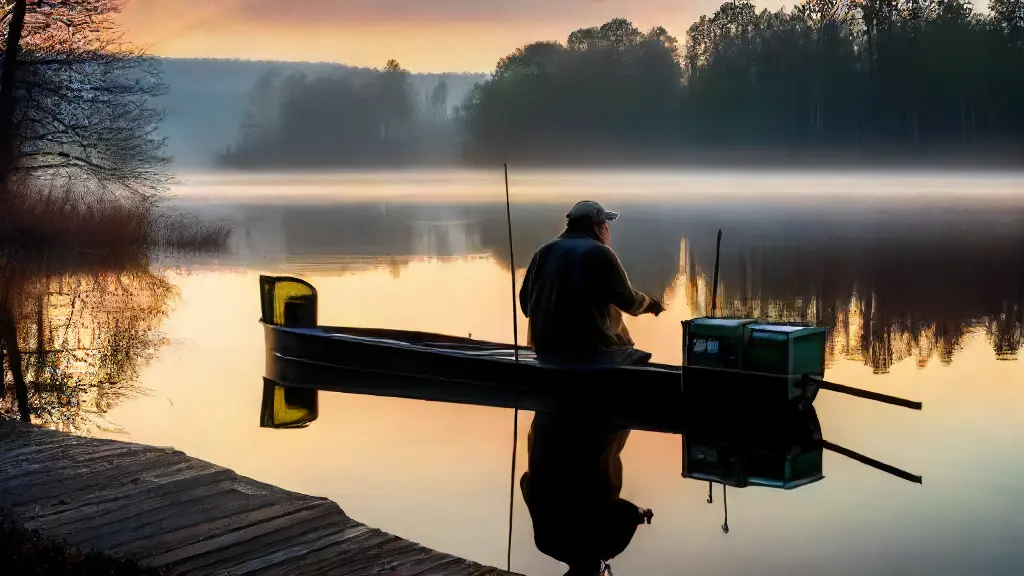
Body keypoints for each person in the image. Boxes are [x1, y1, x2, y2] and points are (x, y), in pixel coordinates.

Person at [519, 200, 665, 367]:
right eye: (605, 225)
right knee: (636, 355)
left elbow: (525, 305)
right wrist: (652, 305)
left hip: (545, 348)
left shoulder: (542, 252)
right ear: (597, 227)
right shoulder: (600, 252)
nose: (607, 230)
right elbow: (628, 301)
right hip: (588, 352)